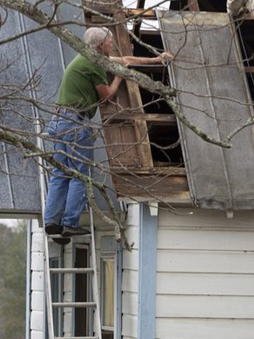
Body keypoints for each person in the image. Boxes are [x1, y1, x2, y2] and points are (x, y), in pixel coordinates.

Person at [44, 27, 174, 241]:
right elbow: (106, 96)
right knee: (80, 175)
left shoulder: (88, 57)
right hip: (75, 123)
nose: (112, 43)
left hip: (59, 120)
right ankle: (70, 224)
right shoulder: (94, 64)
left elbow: (124, 60)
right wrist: (120, 78)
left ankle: (52, 222)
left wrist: (156, 59)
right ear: (100, 45)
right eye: (109, 41)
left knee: (60, 174)